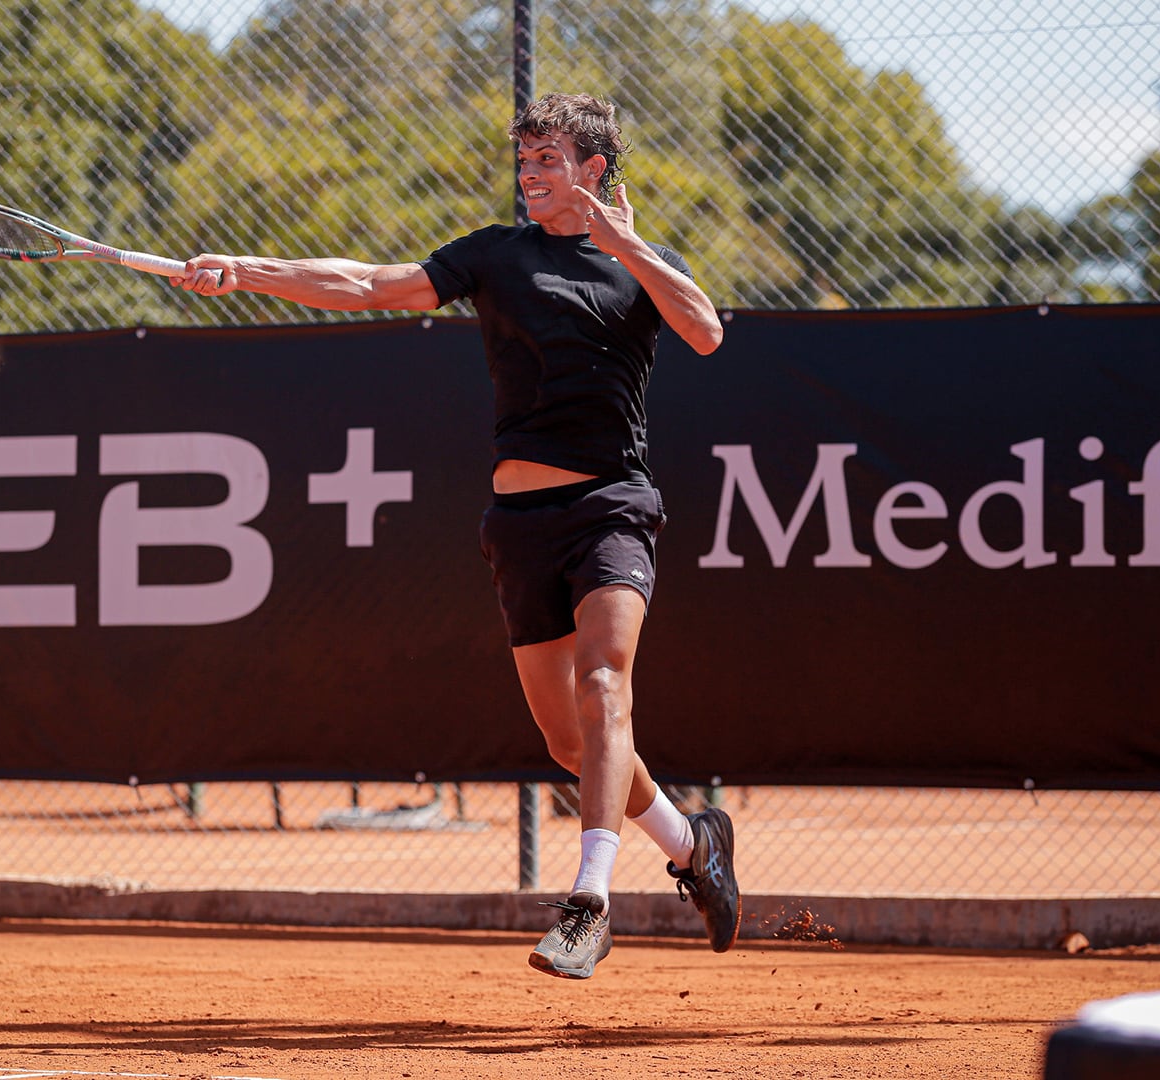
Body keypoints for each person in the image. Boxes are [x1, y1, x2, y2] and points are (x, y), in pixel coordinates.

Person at [171, 92, 738, 980]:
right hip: (520, 523)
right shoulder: (496, 256)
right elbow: (368, 282)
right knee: (569, 742)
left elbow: (705, 332)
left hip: (612, 506)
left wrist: (627, 242)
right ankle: (691, 840)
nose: (530, 174)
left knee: (603, 684)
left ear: (595, 170)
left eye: (549, 159)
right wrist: (246, 268)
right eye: (525, 160)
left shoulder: (640, 264)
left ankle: (590, 902)